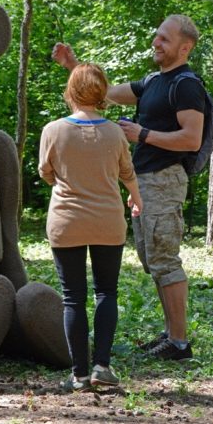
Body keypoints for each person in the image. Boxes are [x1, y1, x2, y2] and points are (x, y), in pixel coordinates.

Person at [52, 14, 205, 361]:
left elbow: (192, 139)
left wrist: (142, 135)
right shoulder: (153, 81)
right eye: (157, 36)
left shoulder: (186, 85)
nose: (156, 42)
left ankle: (179, 343)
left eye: (164, 39)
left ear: (185, 47)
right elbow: (102, 96)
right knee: (152, 259)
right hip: (146, 180)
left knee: (165, 259)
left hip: (165, 179)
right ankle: (171, 335)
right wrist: (73, 65)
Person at [39, 63, 143, 391]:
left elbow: (46, 171)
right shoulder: (114, 132)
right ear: (101, 93)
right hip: (107, 221)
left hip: (66, 222)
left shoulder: (53, 130)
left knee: (73, 297)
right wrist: (136, 199)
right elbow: (127, 173)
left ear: (71, 92)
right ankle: (102, 366)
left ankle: (79, 375)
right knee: (106, 292)